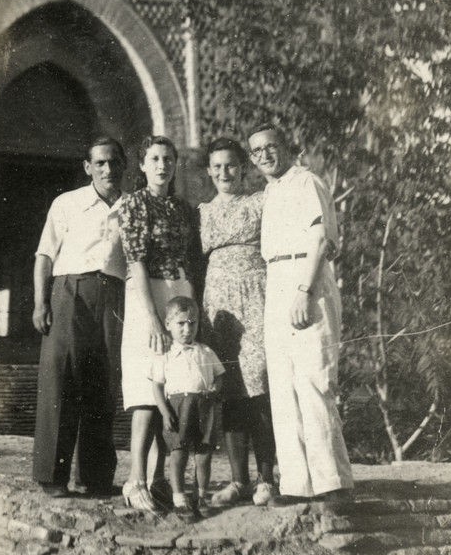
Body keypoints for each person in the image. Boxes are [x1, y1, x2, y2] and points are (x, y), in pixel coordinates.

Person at [248, 123, 354, 503]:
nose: (264, 156)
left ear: (287, 147)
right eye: (256, 152)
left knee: (313, 381)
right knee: (283, 385)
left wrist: (304, 291)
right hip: (276, 279)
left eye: (270, 147)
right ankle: (297, 484)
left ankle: (332, 483)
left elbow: (321, 239)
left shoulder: (306, 181)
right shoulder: (271, 191)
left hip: (305, 278)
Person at [32, 137, 127, 498]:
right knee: (61, 379)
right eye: (100, 163)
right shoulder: (67, 203)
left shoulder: (133, 207)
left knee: (104, 383)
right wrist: (41, 303)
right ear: (88, 167)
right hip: (70, 292)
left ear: (123, 166)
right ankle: (52, 478)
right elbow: (44, 256)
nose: (108, 169)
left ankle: (95, 477)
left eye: (114, 162)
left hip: (115, 296)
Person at [117, 135, 200, 514]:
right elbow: (135, 260)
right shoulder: (135, 203)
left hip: (178, 290)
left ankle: (158, 478)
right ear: (143, 165)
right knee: (145, 386)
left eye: (168, 159)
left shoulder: (182, 208)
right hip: (146, 294)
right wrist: (152, 317)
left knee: (175, 384)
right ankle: (134, 480)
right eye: (154, 159)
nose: (162, 165)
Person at [198, 137, 276, 508]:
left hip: (257, 297)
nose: (224, 173)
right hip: (219, 306)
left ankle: (266, 478)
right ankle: (238, 481)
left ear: (243, 167)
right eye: (217, 167)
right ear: (209, 171)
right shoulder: (203, 211)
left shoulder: (261, 201)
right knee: (229, 390)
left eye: (230, 165)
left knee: (259, 387)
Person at [151, 295, 224, 522]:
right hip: (177, 408)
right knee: (179, 453)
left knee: (203, 454)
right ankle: (179, 498)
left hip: (204, 406)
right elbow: (157, 386)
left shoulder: (206, 352)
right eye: (181, 323)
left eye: (192, 323)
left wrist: (214, 389)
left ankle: (200, 496)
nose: (187, 329)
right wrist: (164, 413)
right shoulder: (165, 354)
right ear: (168, 324)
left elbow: (220, 376)